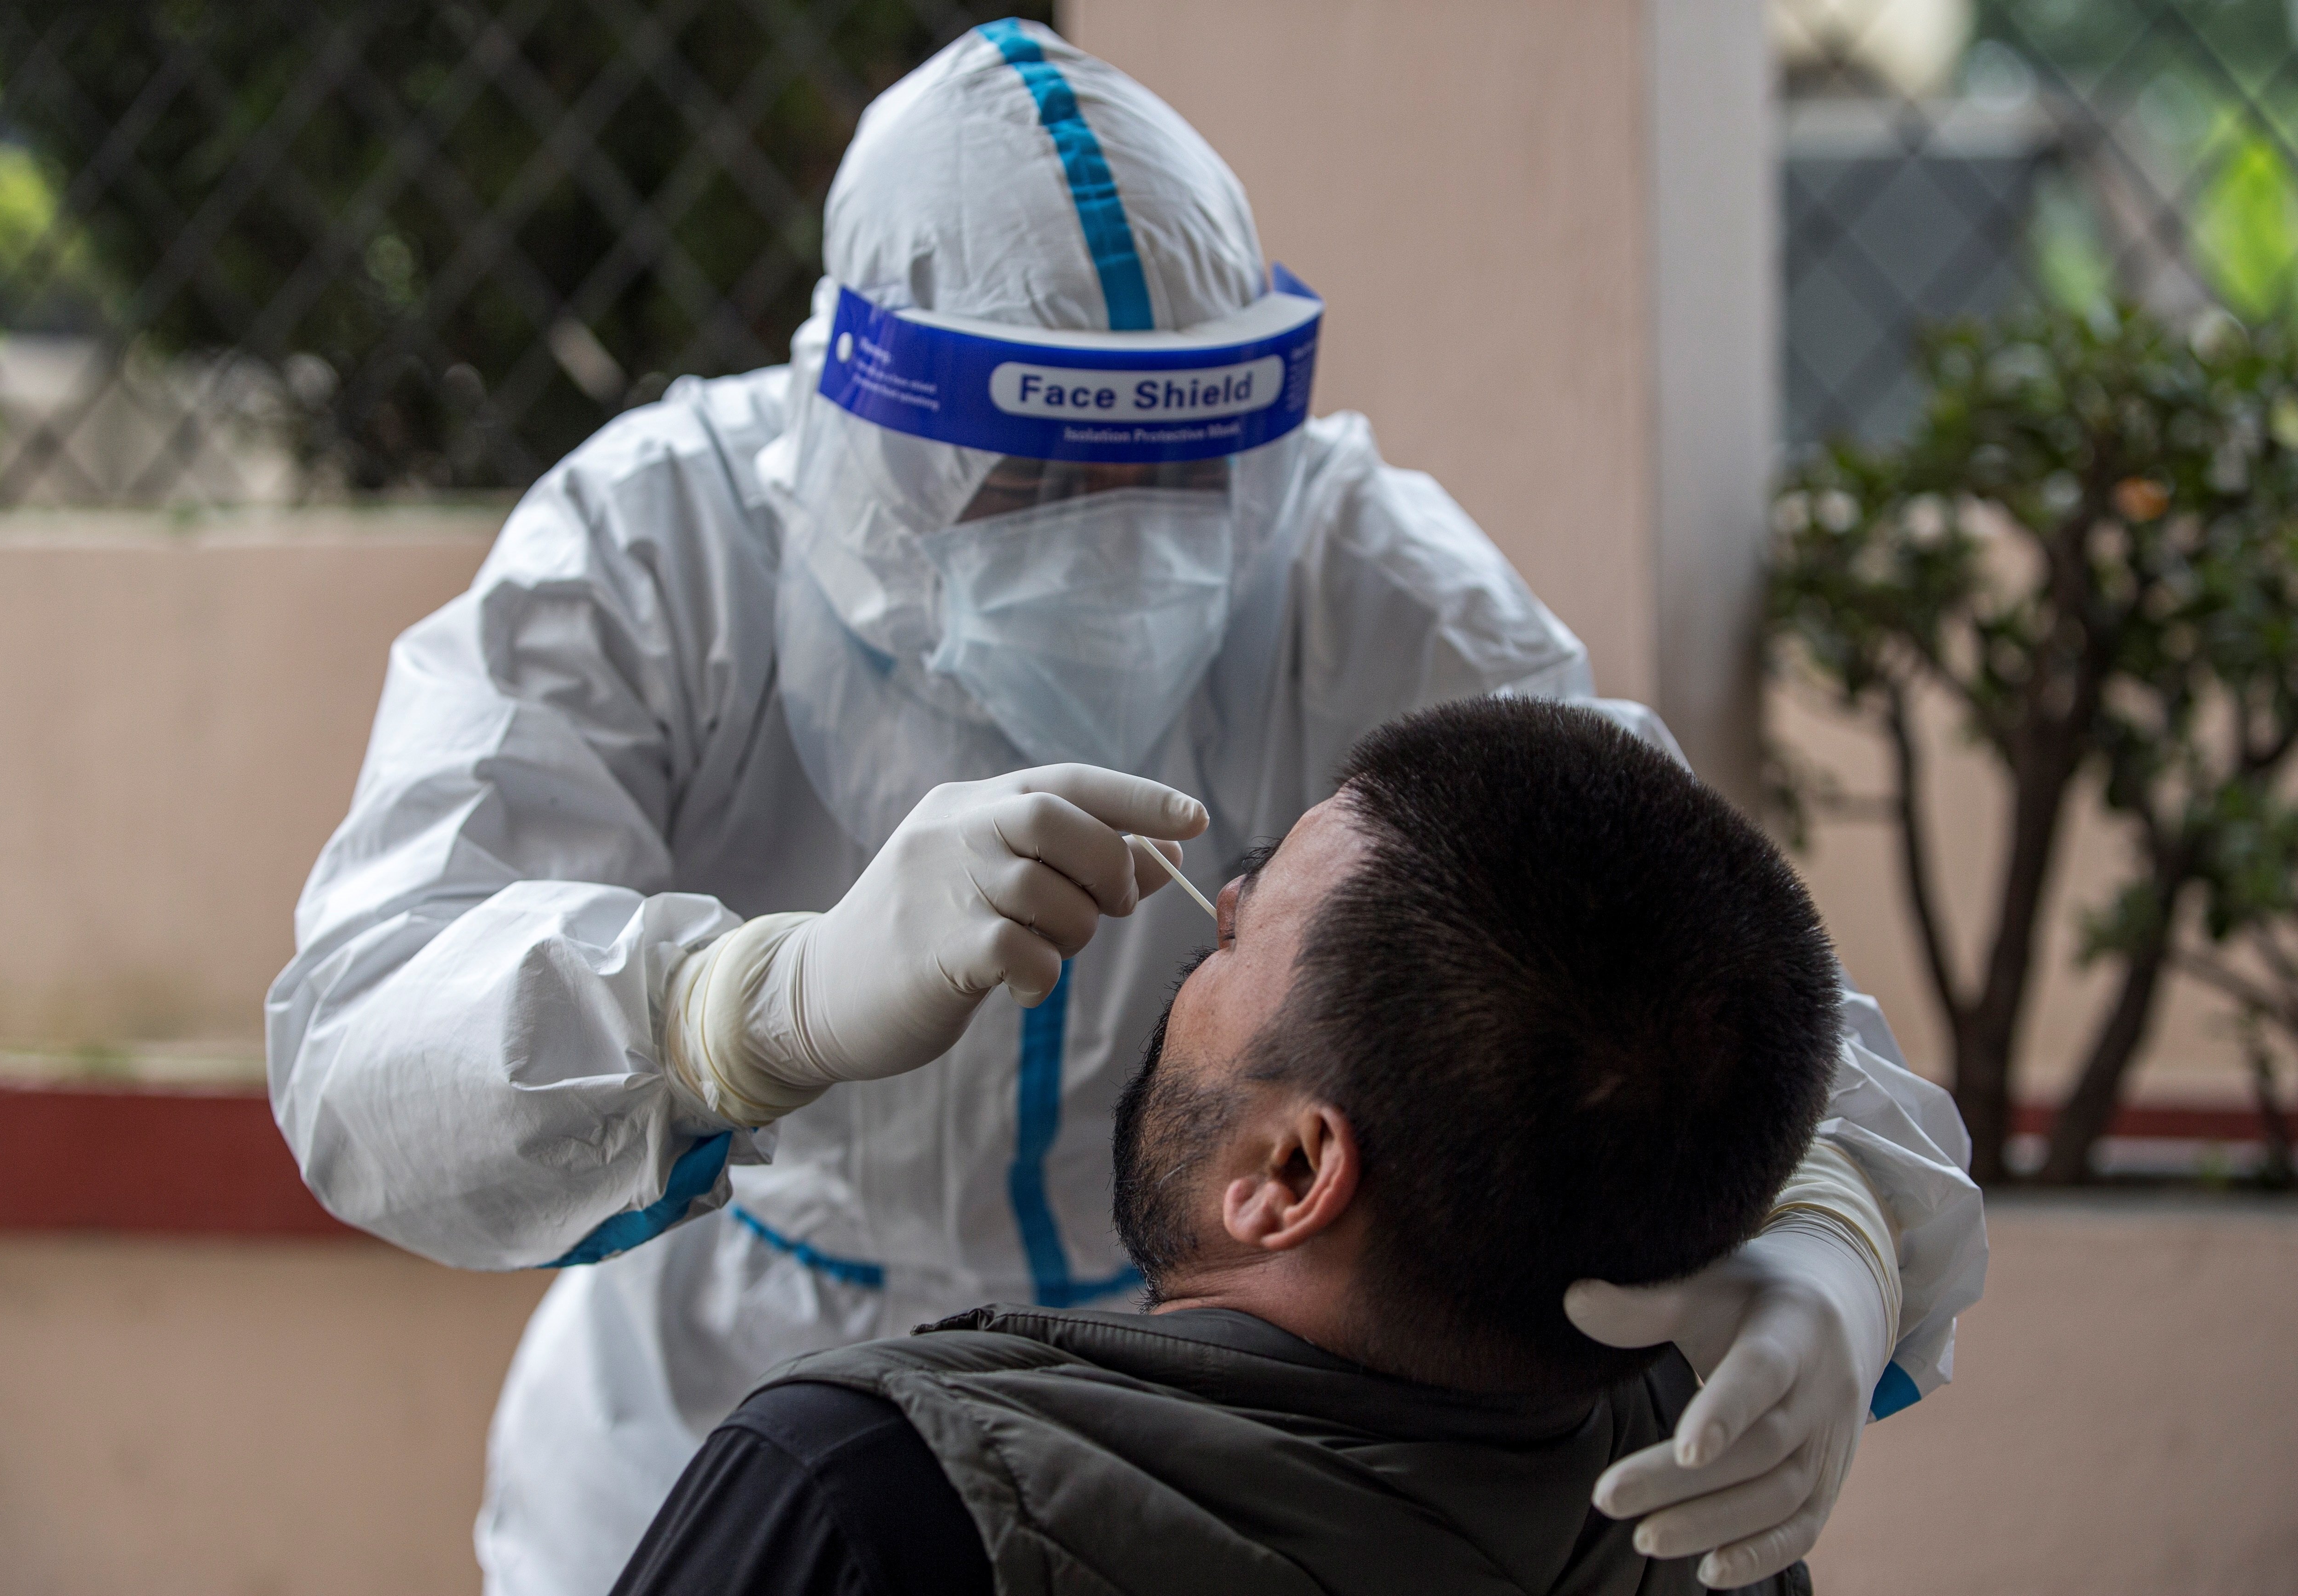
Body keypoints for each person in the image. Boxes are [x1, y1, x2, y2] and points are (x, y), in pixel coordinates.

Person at [265, 19, 1985, 1596]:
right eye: (1042, 478)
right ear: (867, 422)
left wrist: (1835, 1227)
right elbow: (359, 1050)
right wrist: (743, 1008)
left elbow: (1657, 945)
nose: (1124, 536)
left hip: (1203, 1426)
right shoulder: (656, 552)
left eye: (1179, 473)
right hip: (707, 1407)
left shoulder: (1350, 565)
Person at [609, 699, 1864, 1596]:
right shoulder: (1702, 1517)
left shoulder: (869, 1495)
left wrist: (729, 1020)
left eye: (1238, 927)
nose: (1213, 903)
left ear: (1291, 1178)